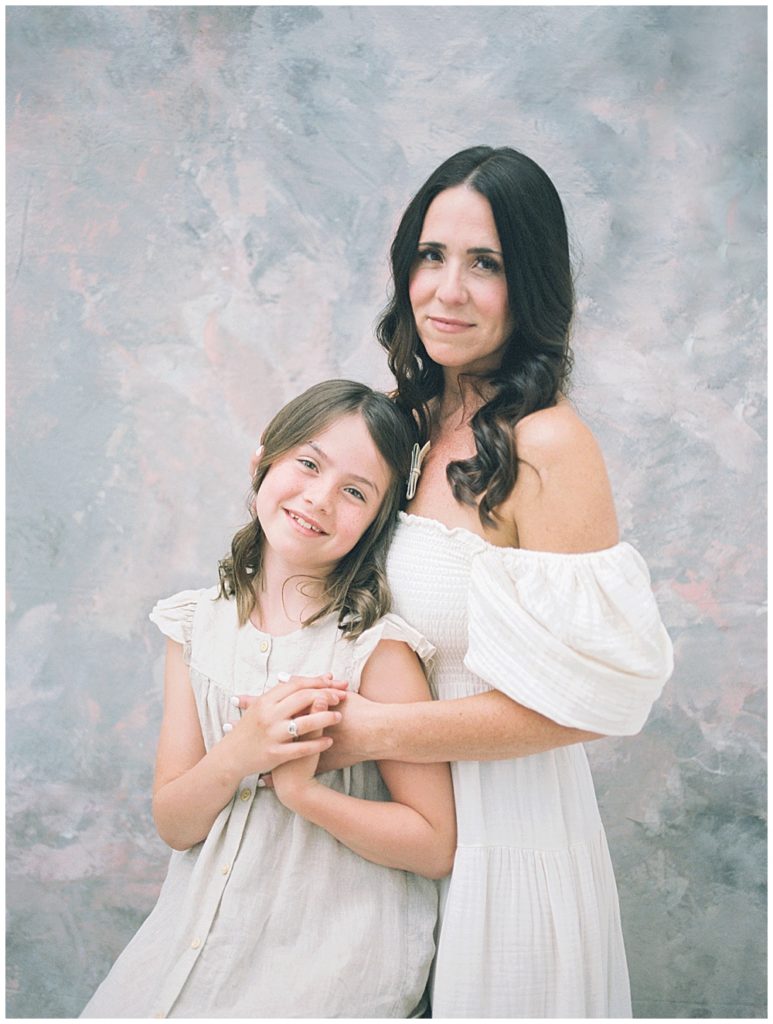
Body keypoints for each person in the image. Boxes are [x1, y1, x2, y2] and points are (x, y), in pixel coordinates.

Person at [257, 146, 674, 1017]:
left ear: (531, 285)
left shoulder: (548, 445)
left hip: (506, 841)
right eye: (430, 256)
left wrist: (374, 730)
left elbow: (581, 704)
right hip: (385, 836)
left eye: (484, 264)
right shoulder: (399, 427)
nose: (446, 289)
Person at [81, 380, 456, 1019]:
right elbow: (176, 823)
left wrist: (303, 795)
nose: (319, 498)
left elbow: (433, 842)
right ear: (263, 463)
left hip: (325, 967)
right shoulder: (195, 627)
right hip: (189, 948)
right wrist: (240, 754)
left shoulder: (376, 652)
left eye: (355, 492)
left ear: (376, 522)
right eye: (308, 464)